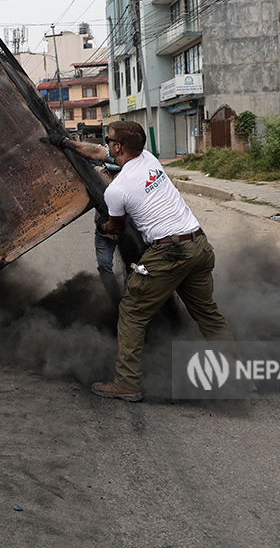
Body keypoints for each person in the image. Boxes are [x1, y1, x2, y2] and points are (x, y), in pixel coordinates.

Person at [81, 120, 236, 402]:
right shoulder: (149, 159)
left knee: (131, 312)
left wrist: (102, 227)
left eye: (109, 140)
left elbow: (116, 228)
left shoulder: (117, 189)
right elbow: (100, 155)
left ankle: (127, 383)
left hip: (169, 254)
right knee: (209, 316)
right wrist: (69, 145)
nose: (106, 144)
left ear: (118, 147)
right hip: (198, 245)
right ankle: (238, 380)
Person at [42, 131, 129, 306]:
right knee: (104, 266)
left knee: (133, 265)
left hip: (127, 229)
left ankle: (133, 300)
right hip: (104, 228)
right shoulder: (96, 173)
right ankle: (116, 302)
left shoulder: (130, 174)